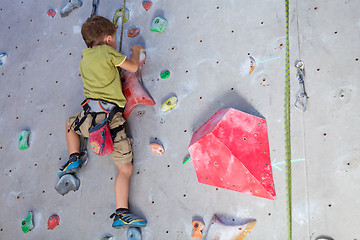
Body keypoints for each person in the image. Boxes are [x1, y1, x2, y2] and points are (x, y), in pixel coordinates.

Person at [57, 15, 146, 228]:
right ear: (107, 39)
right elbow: (133, 67)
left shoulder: (84, 56)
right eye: (114, 39)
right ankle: (121, 213)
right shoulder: (108, 52)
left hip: (88, 118)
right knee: (124, 169)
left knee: (70, 124)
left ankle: (74, 157)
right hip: (110, 121)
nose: (115, 43)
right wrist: (135, 50)